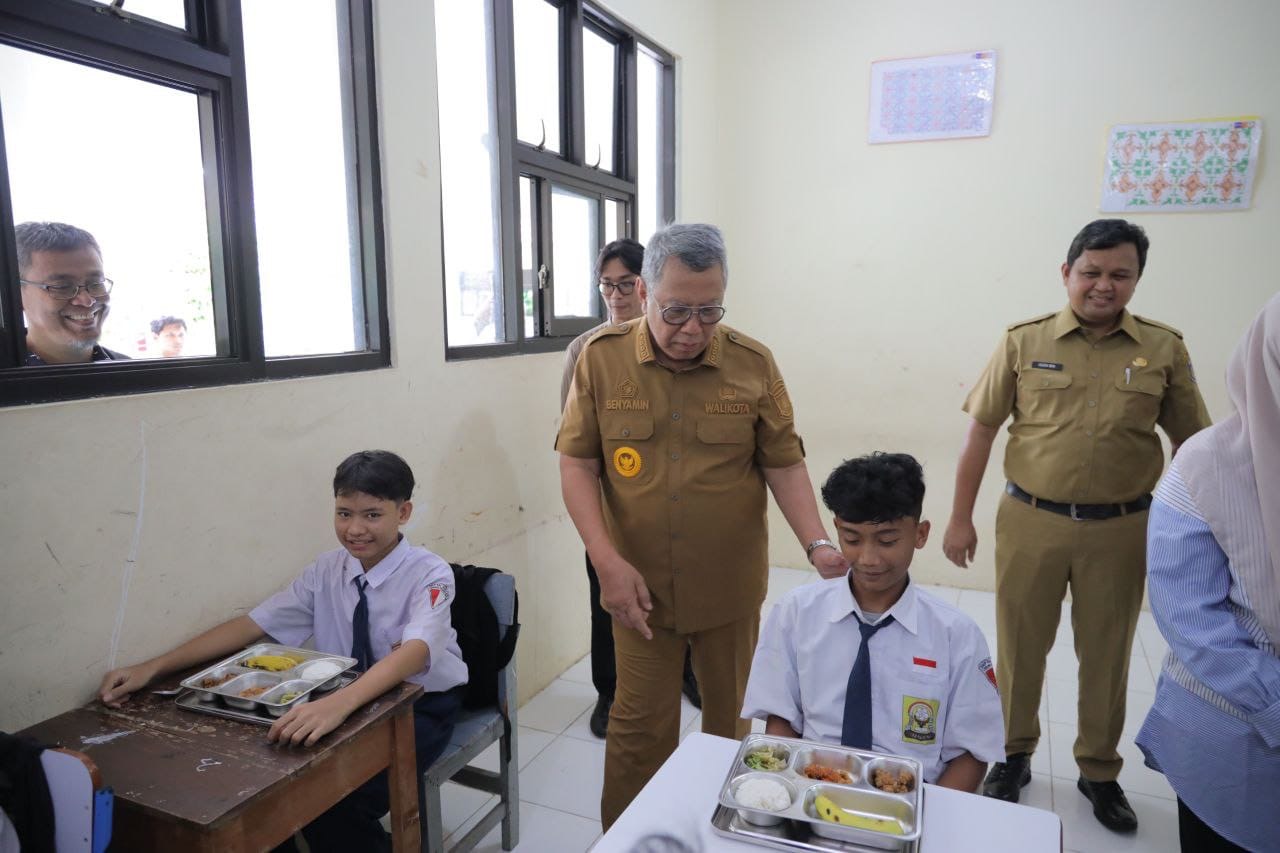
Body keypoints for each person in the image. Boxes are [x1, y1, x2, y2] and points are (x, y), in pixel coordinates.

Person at [557, 222, 849, 828]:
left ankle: (732, 836)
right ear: (643, 291)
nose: (693, 328)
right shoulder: (601, 360)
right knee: (638, 733)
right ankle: (634, 840)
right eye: (677, 310)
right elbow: (577, 462)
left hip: (729, 588)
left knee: (732, 726)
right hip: (638, 592)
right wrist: (605, 561)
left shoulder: (752, 362)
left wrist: (817, 543)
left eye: (709, 310)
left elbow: (783, 461)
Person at [942, 219, 1211, 831]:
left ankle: (1098, 770)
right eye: (1091, 272)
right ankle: (1012, 755)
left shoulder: (1164, 349)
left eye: (1120, 274)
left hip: (1122, 527)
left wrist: (1195, 533)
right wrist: (960, 517)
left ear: (1137, 279)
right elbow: (980, 431)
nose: (1103, 286)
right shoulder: (1021, 340)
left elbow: (1194, 445)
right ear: (1067, 273)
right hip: (1031, 519)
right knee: (1019, 645)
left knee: (1107, 652)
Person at [97, 450, 467, 853]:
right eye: (344, 513)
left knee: (337, 805)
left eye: (372, 514)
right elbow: (253, 625)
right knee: (266, 794)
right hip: (349, 698)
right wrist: (152, 667)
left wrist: (337, 706)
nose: (355, 529)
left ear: (404, 512)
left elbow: (414, 653)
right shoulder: (326, 570)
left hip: (420, 703)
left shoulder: (430, 573)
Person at [742, 452, 1004, 792]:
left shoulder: (957, 635)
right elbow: (780, 719)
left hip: (914, 796)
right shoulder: (796, 613)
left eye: (888, 541)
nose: (868, 559)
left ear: (920, 534)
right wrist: (786, 791)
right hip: (812, 784)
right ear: (836, 529)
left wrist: (928, 817)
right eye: (852, 539)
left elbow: (972, 753)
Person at [1136, 294, 1280, 853]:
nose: (1104, 283)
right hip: (1232, 728)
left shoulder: (1160, 345)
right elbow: (1192, 621)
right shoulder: (1205, 468)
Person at [560, 238, 701, 739]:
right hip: (611, 511)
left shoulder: (682, 342)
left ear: (647, 288)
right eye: (606, 285)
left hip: (671, 505)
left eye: (625, 284)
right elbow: (576, 445)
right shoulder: (586, 350)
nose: (615, 296)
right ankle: (608, 692)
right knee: (609, 602)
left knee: (678, 596)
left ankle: (684, 672)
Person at [16, 221, 127, 365]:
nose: (87, 300)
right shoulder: (7, 376)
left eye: (96, 283)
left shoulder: (132, 373)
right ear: (15, 296)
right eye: (62, 286)